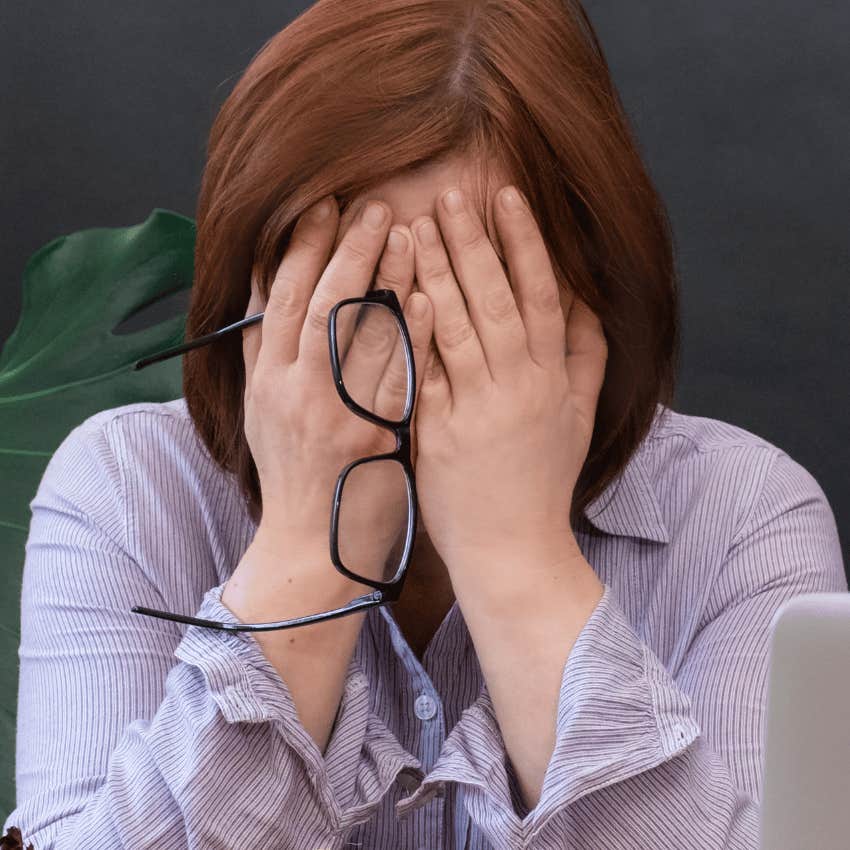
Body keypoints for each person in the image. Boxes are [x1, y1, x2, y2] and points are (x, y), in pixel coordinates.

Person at [4, 1, 846, 848]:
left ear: (594, 300)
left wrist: (518, 560)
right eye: (358, 296)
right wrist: (307, 548)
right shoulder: (129, 491)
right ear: (258, 299)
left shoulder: (742, 517)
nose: (414, 364)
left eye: (485, 303)